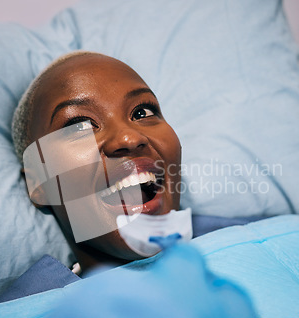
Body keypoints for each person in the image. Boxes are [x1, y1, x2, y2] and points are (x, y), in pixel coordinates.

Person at [12, 51, 183, 274]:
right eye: (80, 125)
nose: (129, 138)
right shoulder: (29, 309)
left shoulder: (242, 236)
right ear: (39, 184)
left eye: (142, 112)